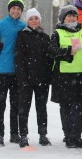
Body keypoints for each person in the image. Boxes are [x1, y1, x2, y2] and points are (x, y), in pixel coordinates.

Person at [48, 5, 82, 148]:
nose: (72, 18)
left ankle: (77, 135)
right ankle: (68, 136)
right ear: (63, 18)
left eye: (74, 15)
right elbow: (51, 50)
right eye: (69, 15)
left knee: (81, 107)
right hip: (64, 76)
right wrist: (67, 51)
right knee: (66, 107)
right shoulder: (57, 33)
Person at [0, 0, 26, 146]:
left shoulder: (23, 26)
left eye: (18, 8)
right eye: (13, 8)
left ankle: (14, 134)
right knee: (0, 103)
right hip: (2, 71)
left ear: (21, 11)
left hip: (18, 72)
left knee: (16, 104)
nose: (16, 11)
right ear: (9, 9)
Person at [14, 8, 52, 148]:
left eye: (36, 18)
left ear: (40, 20)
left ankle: (43, 134)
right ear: (27, 21)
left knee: (42, 108)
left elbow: (49, 60)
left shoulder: (45, 37)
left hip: (42, 80)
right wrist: (22, 78)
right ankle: (23, 135)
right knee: (24, 108)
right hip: (26, 80)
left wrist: (48, 77)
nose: (34, 20)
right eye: (31, 18)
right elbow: (19, 59)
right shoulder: (22, 35)